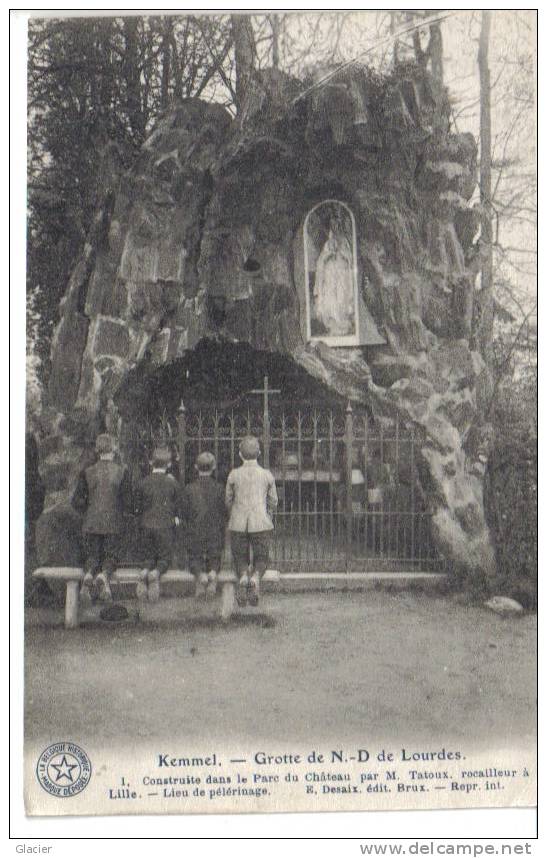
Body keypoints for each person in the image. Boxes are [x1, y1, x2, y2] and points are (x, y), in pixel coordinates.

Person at [72, 433, 132, 604]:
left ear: (97, 450)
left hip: (91, 522)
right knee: (111, 555)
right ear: (113, 449)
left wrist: (89, 509)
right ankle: (104, 576)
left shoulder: (87, 472)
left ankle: (89, 574)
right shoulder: (122, 472)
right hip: (113, 523)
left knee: (92, 556)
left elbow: (77, 501)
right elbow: (128, 502)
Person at [226, 436, 278, 607]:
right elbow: (274, 501)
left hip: (238, 523)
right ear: (260, 453)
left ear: (240, 454)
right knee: (262, 556)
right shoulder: (267, 475)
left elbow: (228, 500)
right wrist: (267, 514)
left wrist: (234, 512)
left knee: (239, 556)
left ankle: (242, 578)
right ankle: (255, 579)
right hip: (261, 522)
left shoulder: (233, 474)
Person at [134, 446, 181, 602]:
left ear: (150, 462)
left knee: (147, 556)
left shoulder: (142, 483)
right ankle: (156, 574)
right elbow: (178, 506)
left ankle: (144, 572)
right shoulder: (172, 483)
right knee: (164, 558)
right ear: (169, 465)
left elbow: (137, 507)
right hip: (165, 526)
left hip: (146, 525)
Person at [180, 452, 227, 599]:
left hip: (195, 531)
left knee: (195, 556)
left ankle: (200, 577)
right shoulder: (220, 488)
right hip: (214, 531)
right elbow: (224, 511)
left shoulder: (189, 489)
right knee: (215, 556)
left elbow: (185, 513)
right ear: (213, 467)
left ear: (195, 467)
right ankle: (212, 574)